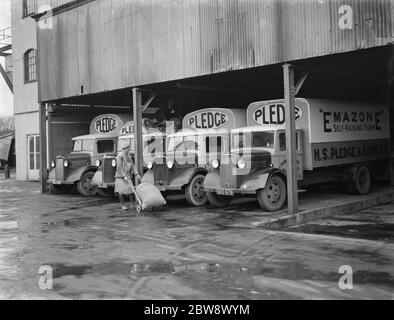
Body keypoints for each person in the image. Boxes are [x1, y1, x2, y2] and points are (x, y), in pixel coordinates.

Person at [115, 139, 141, 210]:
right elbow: (119, 167)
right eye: (128, 148)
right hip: (121, 176)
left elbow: (132, 166)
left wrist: (136, 174)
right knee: (121, 191)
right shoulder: (119, 156)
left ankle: (132, 204)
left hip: (128, 175)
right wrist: (123, 176)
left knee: (131, 190)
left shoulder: (128, 156)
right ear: (125, 148)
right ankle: (122, 205)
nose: (129, 149)